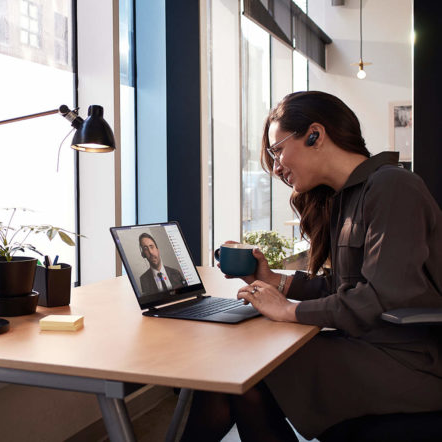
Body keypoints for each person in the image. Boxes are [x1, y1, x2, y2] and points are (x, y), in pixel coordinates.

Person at [180, 91, 442, 442]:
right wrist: (274, 281)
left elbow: (380, 296)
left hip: (407, 362)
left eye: (277, 151)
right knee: (235, 375)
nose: (276, 167)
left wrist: (289, 310)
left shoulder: (394, 186)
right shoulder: (347, 198)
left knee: (244, 373)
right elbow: (344, 287)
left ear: (315, 135)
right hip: (368, 346)